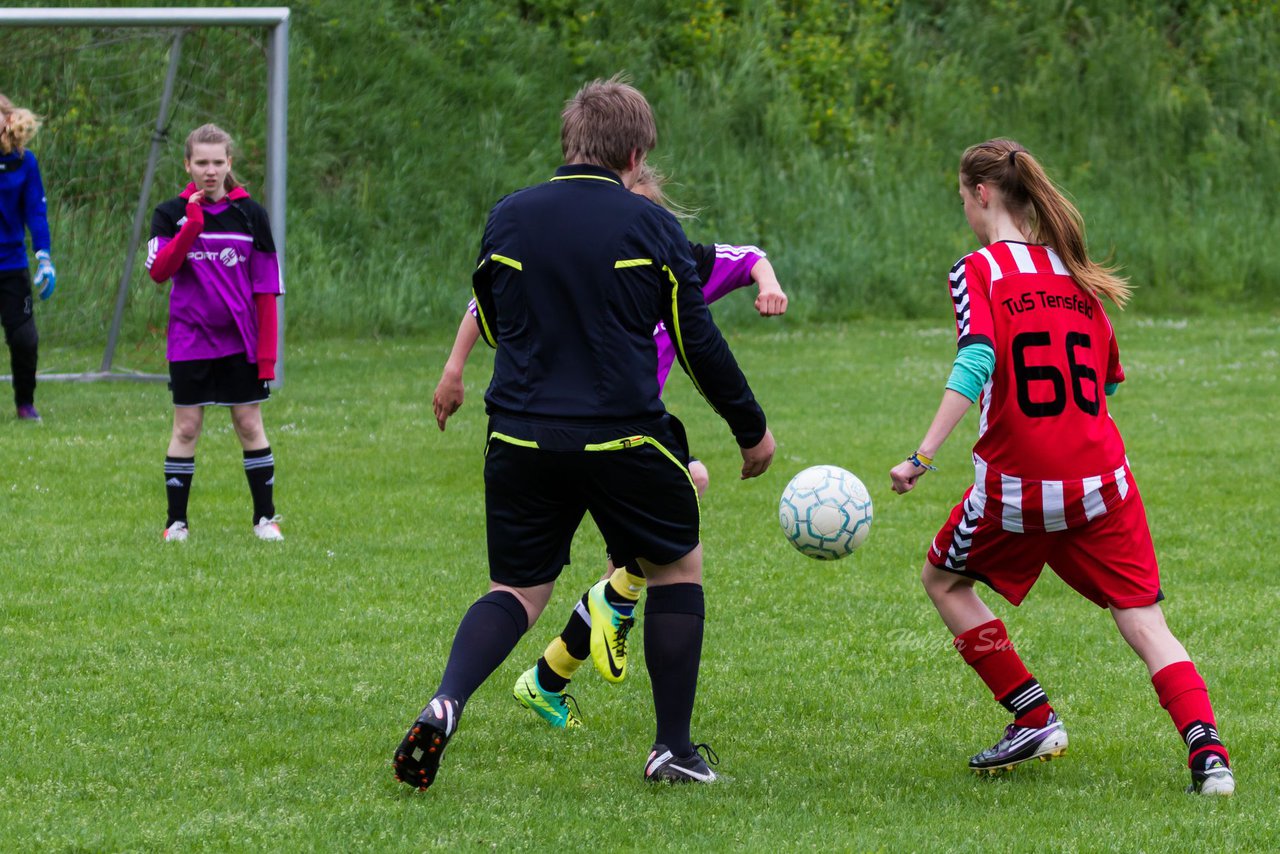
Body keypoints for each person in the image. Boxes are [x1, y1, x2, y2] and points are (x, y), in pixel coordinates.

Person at [393, 77, 775, 790]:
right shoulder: (648, 225)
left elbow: (495, 315)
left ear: (569, 143)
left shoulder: (508, 217)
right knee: (675, 568)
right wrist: (750, 429)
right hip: (621, 436)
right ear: (635, 153)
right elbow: (696, 342)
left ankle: (447, 698)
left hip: (518, 434)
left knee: (515, 588)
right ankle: (671, 750)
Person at [888, 138, 1234, 796]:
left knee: (944, 580)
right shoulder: (1080, 277)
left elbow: (976, 359)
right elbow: (1105, 384)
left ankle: (1033, 716)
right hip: (1104, 483)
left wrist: (922, 455)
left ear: (983, 195)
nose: (964, 208)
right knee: (1142, 618)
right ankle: (1209, 753)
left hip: (1016, 491)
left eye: (963, 198)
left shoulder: (980, 270)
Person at [430, 164, 789, 728]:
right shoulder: (586, 254)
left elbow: (747, 257)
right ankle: (658, 726)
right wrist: (454, 369)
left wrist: (769, 285)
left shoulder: (665, 250)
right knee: (674, 529)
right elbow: (483, 306)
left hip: (540, 431)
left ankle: (526, 680)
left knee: (524, 589)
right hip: (622, 431)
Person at [145, 124, 284, 543]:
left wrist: (267, 357)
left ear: (229, 164)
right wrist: (191, 226)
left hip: (240, 343)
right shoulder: (169, 214)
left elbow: (265, 291)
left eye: (217, 162)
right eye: (201, 162)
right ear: (188, 165)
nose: (210, 171)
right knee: (186, 428)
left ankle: (266, 519)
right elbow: (158, 271)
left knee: (249, 422)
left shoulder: (251, 216)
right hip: (189, 342)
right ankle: (176, 524)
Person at [0, 94, 56, 422]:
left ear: (8, 118)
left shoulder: (25, 161)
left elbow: (35, 211)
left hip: (11, 266)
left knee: (24, 340)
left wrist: (44, 257)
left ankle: (25, 403)